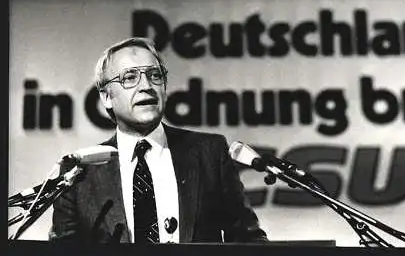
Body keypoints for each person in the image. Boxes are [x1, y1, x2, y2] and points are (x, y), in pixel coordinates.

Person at [49, 37, 268, 244]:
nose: (146, 86)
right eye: (130, 77)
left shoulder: (210, 153)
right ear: (106, 96)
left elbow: (249, 242)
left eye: (155, 75)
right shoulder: (79, 172)